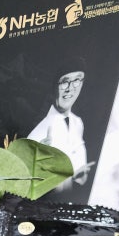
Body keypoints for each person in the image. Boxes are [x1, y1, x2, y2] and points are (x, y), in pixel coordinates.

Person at [27, 58, 92, 190]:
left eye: (77, 80)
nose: (70, 89)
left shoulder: (78, 123)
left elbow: (80, 175)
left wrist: (80, 175)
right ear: (54, 87)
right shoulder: (39, 126)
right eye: (65, 82)